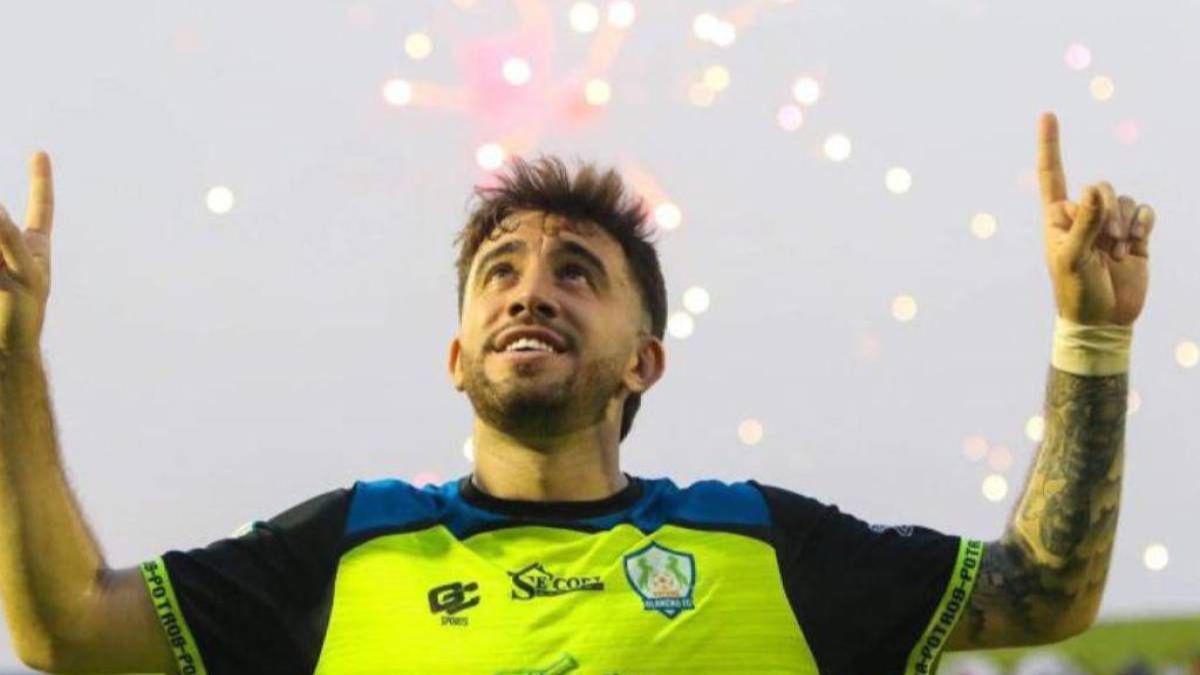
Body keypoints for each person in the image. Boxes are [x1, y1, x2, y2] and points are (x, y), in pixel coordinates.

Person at [0, 111, 1155, 674]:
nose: (529, 291)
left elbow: (1041, 596)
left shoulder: (759, 542)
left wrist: (1094, 335)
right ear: (457, 356)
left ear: (644, 360)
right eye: (499, 272)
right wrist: (11, 354)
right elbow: (65, 629)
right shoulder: (346, 548)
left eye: (576, 273)